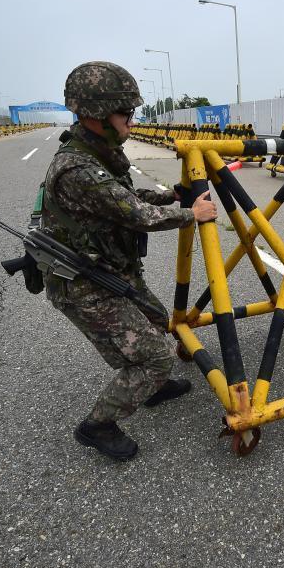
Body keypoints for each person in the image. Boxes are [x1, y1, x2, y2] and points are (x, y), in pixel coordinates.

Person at [43, 61, 218, 460]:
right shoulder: (77, 169)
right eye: (127, 113)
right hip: (85, 285)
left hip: (112, 271)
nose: (132, 121)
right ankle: (98, 425)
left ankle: (151, 387)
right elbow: (137, 215)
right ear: (97, 115)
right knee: (155, 355)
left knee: (159, 322)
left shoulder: (97, 154)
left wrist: (173, 197)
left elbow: (125, 197)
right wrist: (193, 213)